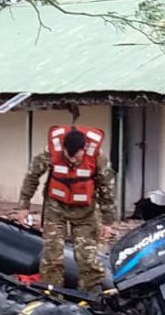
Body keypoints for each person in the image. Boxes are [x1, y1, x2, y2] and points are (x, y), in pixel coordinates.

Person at [18, 125, 116, 291]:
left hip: (86, 213)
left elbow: (107, 189)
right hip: (56, 209)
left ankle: (91, 296)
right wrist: (24, 205)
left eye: (76, 157)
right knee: (52, 256)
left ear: (83, 149)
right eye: (68, 157)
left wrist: (108, 222)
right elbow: (31, 176)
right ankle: (51, 294)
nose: (72, 161)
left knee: (88, 259)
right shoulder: (50, 152)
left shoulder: (98, 158)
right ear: (63, 148)